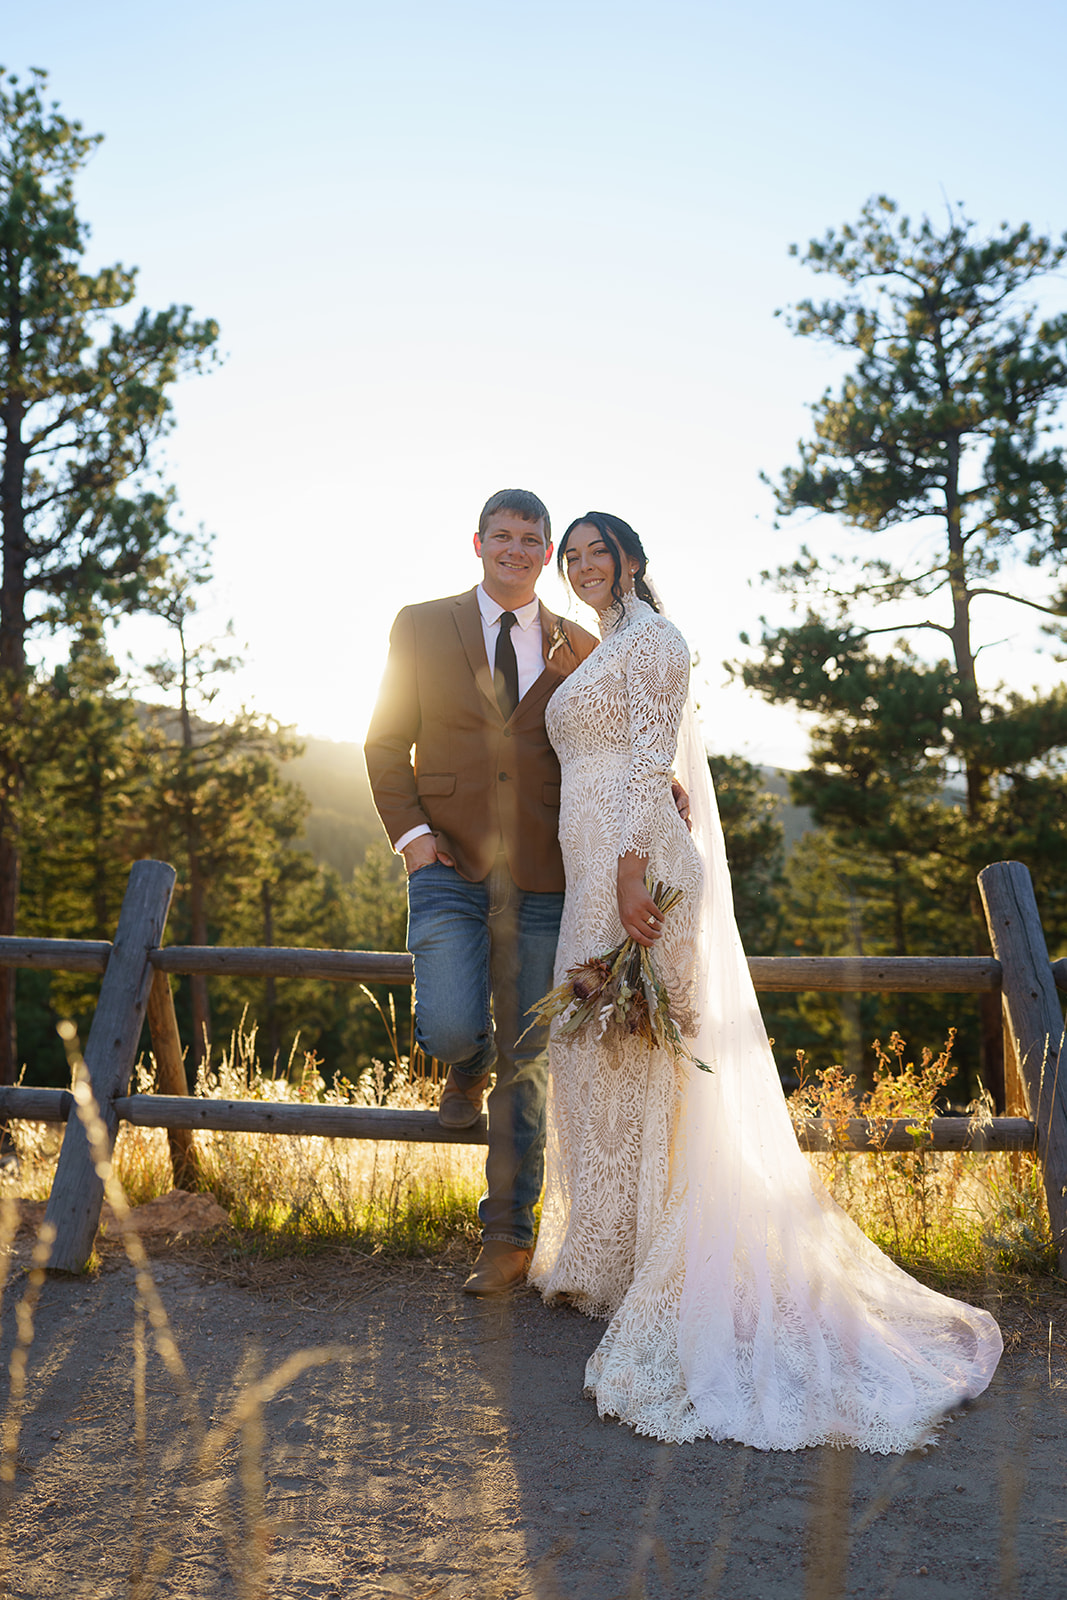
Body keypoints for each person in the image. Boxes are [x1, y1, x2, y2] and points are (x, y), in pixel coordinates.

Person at [529, 511, 1003, 1453]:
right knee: (596, 1061)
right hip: (594, 859)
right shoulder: (601, 642)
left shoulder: (656, 638)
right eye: (571, 556)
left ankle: (650, 1265)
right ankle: (609, 1259)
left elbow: (648, 757)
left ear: (632, 559)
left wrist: (629, 874)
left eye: (598, 552)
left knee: (637, 1056)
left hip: (636, 867)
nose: (583, 567)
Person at [364, 489, 599, 1296]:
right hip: (448, 864)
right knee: (451, 1022)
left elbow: (601, 747)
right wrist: (412, 837)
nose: (516, 549)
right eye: (502, 536)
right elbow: (385, 739)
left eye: (531, 539)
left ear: (545, 554)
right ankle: (461, 1066)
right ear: (477, 543)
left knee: (528, 1056)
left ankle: (506, 1237)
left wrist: (659, 782)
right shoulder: (420, 624)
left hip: (545, 871)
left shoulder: (579, 642)